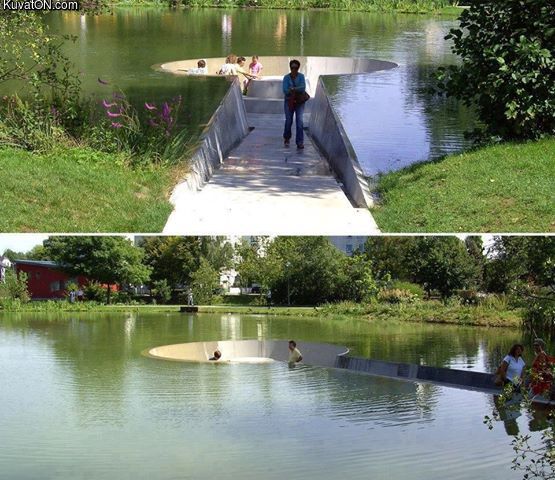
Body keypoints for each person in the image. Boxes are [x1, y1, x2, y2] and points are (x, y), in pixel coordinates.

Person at [282, 59, 307, 149]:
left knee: (299, 121)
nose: (294, 69)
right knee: (289, 121)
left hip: (299, 102)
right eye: (292, 67)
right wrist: (295, 89)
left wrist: (293, 89)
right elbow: (285, 90)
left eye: (296, 68)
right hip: (289, 101)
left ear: (298, 68)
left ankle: (300, 142)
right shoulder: (286, 77)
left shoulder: (301, 76)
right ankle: (287, 137)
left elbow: (303, 88)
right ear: (290, 68)